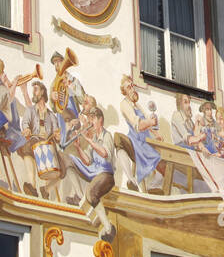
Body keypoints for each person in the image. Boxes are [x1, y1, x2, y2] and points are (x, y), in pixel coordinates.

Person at [66, 105, 117, 240]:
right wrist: (78, 148)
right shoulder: (94, 139)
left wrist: (88, 140)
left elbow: (105, 153)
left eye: (92, 119)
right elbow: (87, 160)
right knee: (68, 161)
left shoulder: (107, 136)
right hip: (94, 172)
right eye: (89, 120)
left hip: (106, 174)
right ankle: (79, 195)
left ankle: (108, 227)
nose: (90, 123)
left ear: (100, 120)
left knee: (91, 193)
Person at [119, 75, 161, 188]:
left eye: (132, 85)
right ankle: (145, 183)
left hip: (145, 138)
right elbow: (138, 125)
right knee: (155, 157)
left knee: (160, 155)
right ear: (124, 91)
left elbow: (147, 120)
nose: (132, 89)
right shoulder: (124, 104)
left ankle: (153, 184)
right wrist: (150, 122)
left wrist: (156, 134)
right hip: (136, 139)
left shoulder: (137, 105)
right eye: (129, 87)